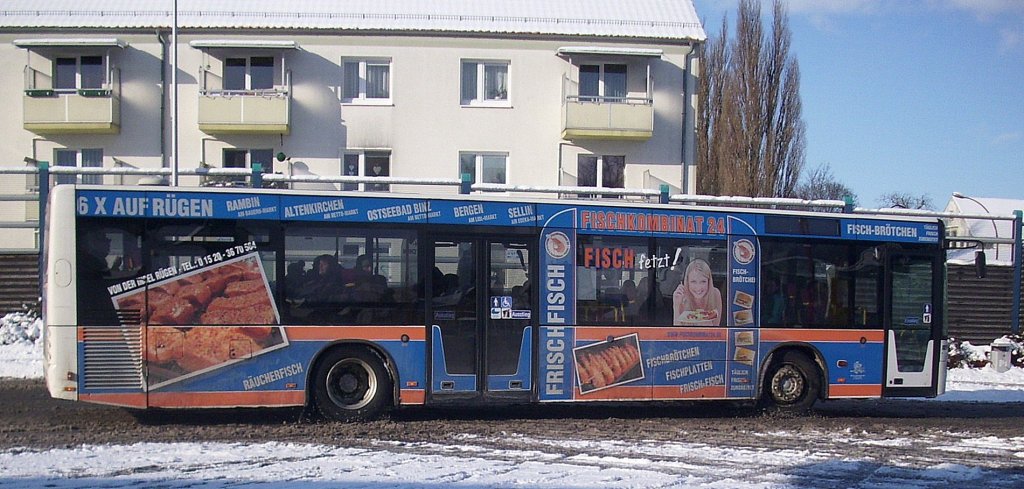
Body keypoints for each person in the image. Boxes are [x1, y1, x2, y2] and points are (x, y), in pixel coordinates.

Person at [672, 259, 722, 326]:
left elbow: (717, 327)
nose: (698, 287)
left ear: (709, 282)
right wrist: (676, 305)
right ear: (687, 282)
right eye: (693, 282)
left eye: (703, 282)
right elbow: (676, 332)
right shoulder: (681, 296)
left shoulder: (715, 293)